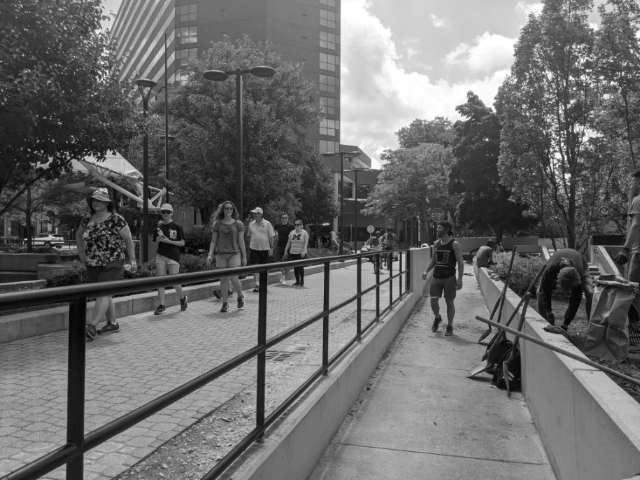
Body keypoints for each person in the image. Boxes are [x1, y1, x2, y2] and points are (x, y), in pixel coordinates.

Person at [75, 188, 136, 341]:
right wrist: (82, 254)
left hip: (113, 261)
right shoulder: (87, 218)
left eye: (100, 200)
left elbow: (128, 239)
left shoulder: (117, 219)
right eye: (94, 200)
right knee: (104, 293)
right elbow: (78, 235)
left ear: (107, 203)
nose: (96, 203)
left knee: (103, 292)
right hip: (93, 262)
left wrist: (133, 259)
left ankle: (92, 326)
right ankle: (112, 323)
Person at [423, 221, 464, 336]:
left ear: (446, 230)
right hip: (436, 277)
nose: (437, 230)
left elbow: (460, 262)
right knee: (433, 300)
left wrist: (460, 279)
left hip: (449, 278)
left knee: (449, 302)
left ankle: (450, 326)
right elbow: (433, 260)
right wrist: (426, 271)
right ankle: (437, 317)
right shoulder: (436, 244)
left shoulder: (454, 244)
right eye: (437, 228)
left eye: (439, 228)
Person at [537, 248, 593, 331]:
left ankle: (591, 326)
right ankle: (544, 323)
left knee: (590, 293)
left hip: (581, 263)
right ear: (558, 279)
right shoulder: (550, 270)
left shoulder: (577, 274)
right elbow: (546, 290)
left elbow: (575, 299)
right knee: (540, 292)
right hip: (556, 260)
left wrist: (565, 325)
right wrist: (548, 311)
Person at [207, 201, 247, 312]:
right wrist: (210, 254)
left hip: (234, 253)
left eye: (230, 208)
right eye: (226, 208)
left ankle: (240, 295)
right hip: (221, 254)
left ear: (233, 210)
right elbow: (213, 241)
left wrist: (244, 257)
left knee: (234, 277)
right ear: (223, 210)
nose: (228, 210)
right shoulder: (217, 224)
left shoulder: (238, 224)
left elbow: (241, 241)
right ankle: (225, 303)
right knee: (223, 279)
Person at [152, 203, 188, 315]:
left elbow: (182, 243)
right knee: (160, 281)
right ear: (161, 213)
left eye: (168, 212)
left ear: (172, 213)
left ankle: (182, 299)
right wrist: (159, 237)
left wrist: (169, 241)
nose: (166, 214)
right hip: (160, 256)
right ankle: (162, 305)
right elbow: (156, 241)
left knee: (175, 282)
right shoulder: (159, 227)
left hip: (173, 257)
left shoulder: (177, 226)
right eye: (163, 212)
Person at [615, 169, 640, 281]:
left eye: (633, 182)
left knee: (633, 290)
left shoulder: (638, 200)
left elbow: (636, 225)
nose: (631, 186)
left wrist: (625, 250)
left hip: (638, 253)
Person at [247, 207, 275, 292]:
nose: (254, 215)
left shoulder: (267, 224)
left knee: (264, 268)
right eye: (254, 213)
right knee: (255, 268)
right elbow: (248, 235)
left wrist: (271, 248)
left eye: (256, 213)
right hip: (254, 249)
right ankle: (256, 285)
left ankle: (263, 285)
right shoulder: (251, 224)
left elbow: (271, 237)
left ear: (260, 214)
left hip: (265, 249)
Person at [284, 218, 309, 287]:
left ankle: (302, 281)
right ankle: (297, 281)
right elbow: (288, 242)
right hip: (293, 252)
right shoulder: (292, 232)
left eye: (298, 224)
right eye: (295, 225)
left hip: (301, 253)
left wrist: (304, 251)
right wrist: (286, 251)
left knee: (301, 267)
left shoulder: (304, 233)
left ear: (301, 225)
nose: (296, 226)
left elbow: (306, 243)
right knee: (295, 267)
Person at [274, 212, 294, 285]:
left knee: (286, 262)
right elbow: (275, 235)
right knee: (278, 261)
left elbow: (292, 237)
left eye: (286, 218)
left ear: (288, 219)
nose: (284, 219)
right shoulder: (277, 226)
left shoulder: (291, 227)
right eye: (283, 218)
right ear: (281, 219)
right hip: (279, 246)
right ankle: (283, 275)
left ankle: (283, 276)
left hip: (287, 247)